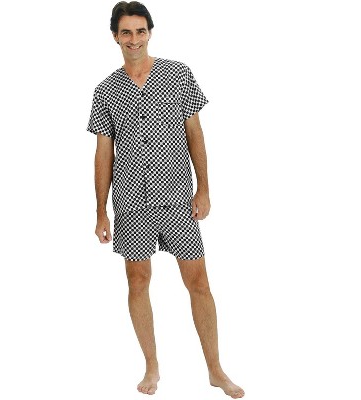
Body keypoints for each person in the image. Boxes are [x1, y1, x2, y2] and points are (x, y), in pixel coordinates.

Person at [86, 1, 245, 398]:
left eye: (140, 31)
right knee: (138, 281)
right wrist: (100, 210)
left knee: (199, 282)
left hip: (177, 197)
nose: (134, 39)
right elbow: (104, 153)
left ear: (150, 33)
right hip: (131, 201)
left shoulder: (178, 75)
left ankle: (215, 369)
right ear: (115, 37)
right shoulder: (105, 90)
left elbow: (195, 133)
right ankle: (152, 366)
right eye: (126, 32)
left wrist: (203, 188)